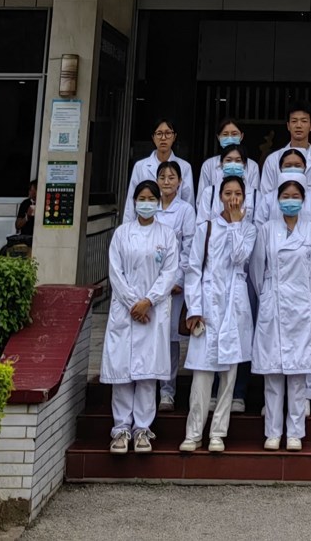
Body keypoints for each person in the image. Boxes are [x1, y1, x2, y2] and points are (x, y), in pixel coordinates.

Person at [102, 181, 180, 455]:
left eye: (151, 199)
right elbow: (115, 272)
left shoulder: (167, 235)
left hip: (153, 311)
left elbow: (169, 272)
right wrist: (133, 303)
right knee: (122, 372)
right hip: (125, 311)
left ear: (158, 202)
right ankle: (121, 429)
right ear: (134, 202)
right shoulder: (121, 234)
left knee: (148, 374)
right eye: (141, 198)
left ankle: (143, 429)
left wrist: (148, 301)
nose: (146, 203)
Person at [180, 173, 256, 454]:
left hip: (234, 308)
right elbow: (193, 270)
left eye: (238, 194)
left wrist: (236, 225)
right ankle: (193, 433)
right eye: (228, 193)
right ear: (220, 197)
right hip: (208, 305)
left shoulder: (249, 229)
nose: (233, 199)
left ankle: (218, 433)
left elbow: (239, 257)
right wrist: (195, 308)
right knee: (202, 376)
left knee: (229, 378)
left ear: (244, 198)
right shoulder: (206, 227)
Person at [252, 176, 311, 451]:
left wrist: (305, 294)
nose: (290, 201)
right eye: (286, 196)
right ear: (277, 200)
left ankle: (295, 432)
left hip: (302, 305)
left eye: (296, 196)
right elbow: (257, 270)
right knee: (273, 374)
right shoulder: (266, 230)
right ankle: (272, 432)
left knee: (298, 374)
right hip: (273, 302)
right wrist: (268, 295)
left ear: (303, 200)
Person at [153, 158, 196, 411]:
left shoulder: (186, 210)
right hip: (149, 283)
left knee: (169, 339)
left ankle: (167, 391)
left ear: (180, 182)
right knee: (149, 336)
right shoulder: (149, 206)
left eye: (171, 178)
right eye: (162, 178)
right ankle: (148, 385)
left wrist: (179, 278)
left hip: (173, 286)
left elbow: (189, 247)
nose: (167, 182)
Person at [262, 105, 311, 198]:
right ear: (288, 126)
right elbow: (265, 197)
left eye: (304, 121)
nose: (299, 125)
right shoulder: (272, 160)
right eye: (294, 121)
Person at [197, 118, 262, 215]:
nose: (230, 138)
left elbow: (255, 199)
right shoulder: (208, 165)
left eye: (234, 134)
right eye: (225, 134)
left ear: (241, 136)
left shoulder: (252, 166)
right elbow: (201, 200)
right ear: (218, 137)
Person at [128, 118, 195, 206]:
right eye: (159, 134)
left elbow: (188, 201)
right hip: (146, 214)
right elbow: (131, 201)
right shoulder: (140, 166)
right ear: (153, 137)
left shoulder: (185, 167)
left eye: (168, 133)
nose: (163, 138)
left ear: (174, 137)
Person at [197, 143, 256, 223]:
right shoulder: (209, 192)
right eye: (228, 160)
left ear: (244, 164)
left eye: (238, 161)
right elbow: (202, 225)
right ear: (221, 164)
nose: (233, 164)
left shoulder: (255, 195)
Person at [14, 179, 36, 244]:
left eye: (34, 190)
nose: (32, 193)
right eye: (30, 190)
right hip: (26, 238)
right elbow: (17, 226)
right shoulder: (25, 203)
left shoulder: (44, 203)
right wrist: (27, 217)